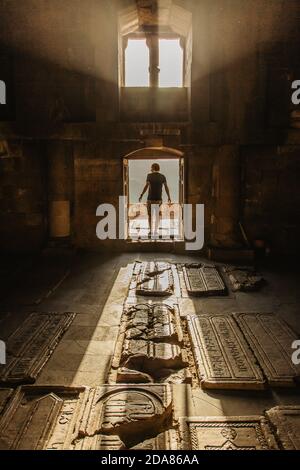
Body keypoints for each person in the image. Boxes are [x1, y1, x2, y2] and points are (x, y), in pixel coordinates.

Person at [139, 163, 171, 237]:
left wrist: (141, 195)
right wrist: (169, 196)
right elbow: (166, 187)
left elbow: (146, 186)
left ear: (153, 168)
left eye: (151, 167)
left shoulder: (149, 176)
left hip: (150, 199)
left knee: (150, 215)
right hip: (159, 199)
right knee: (157, 216)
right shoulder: (162, 176)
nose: (150, 168)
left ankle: (150, 231)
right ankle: (155, 231)